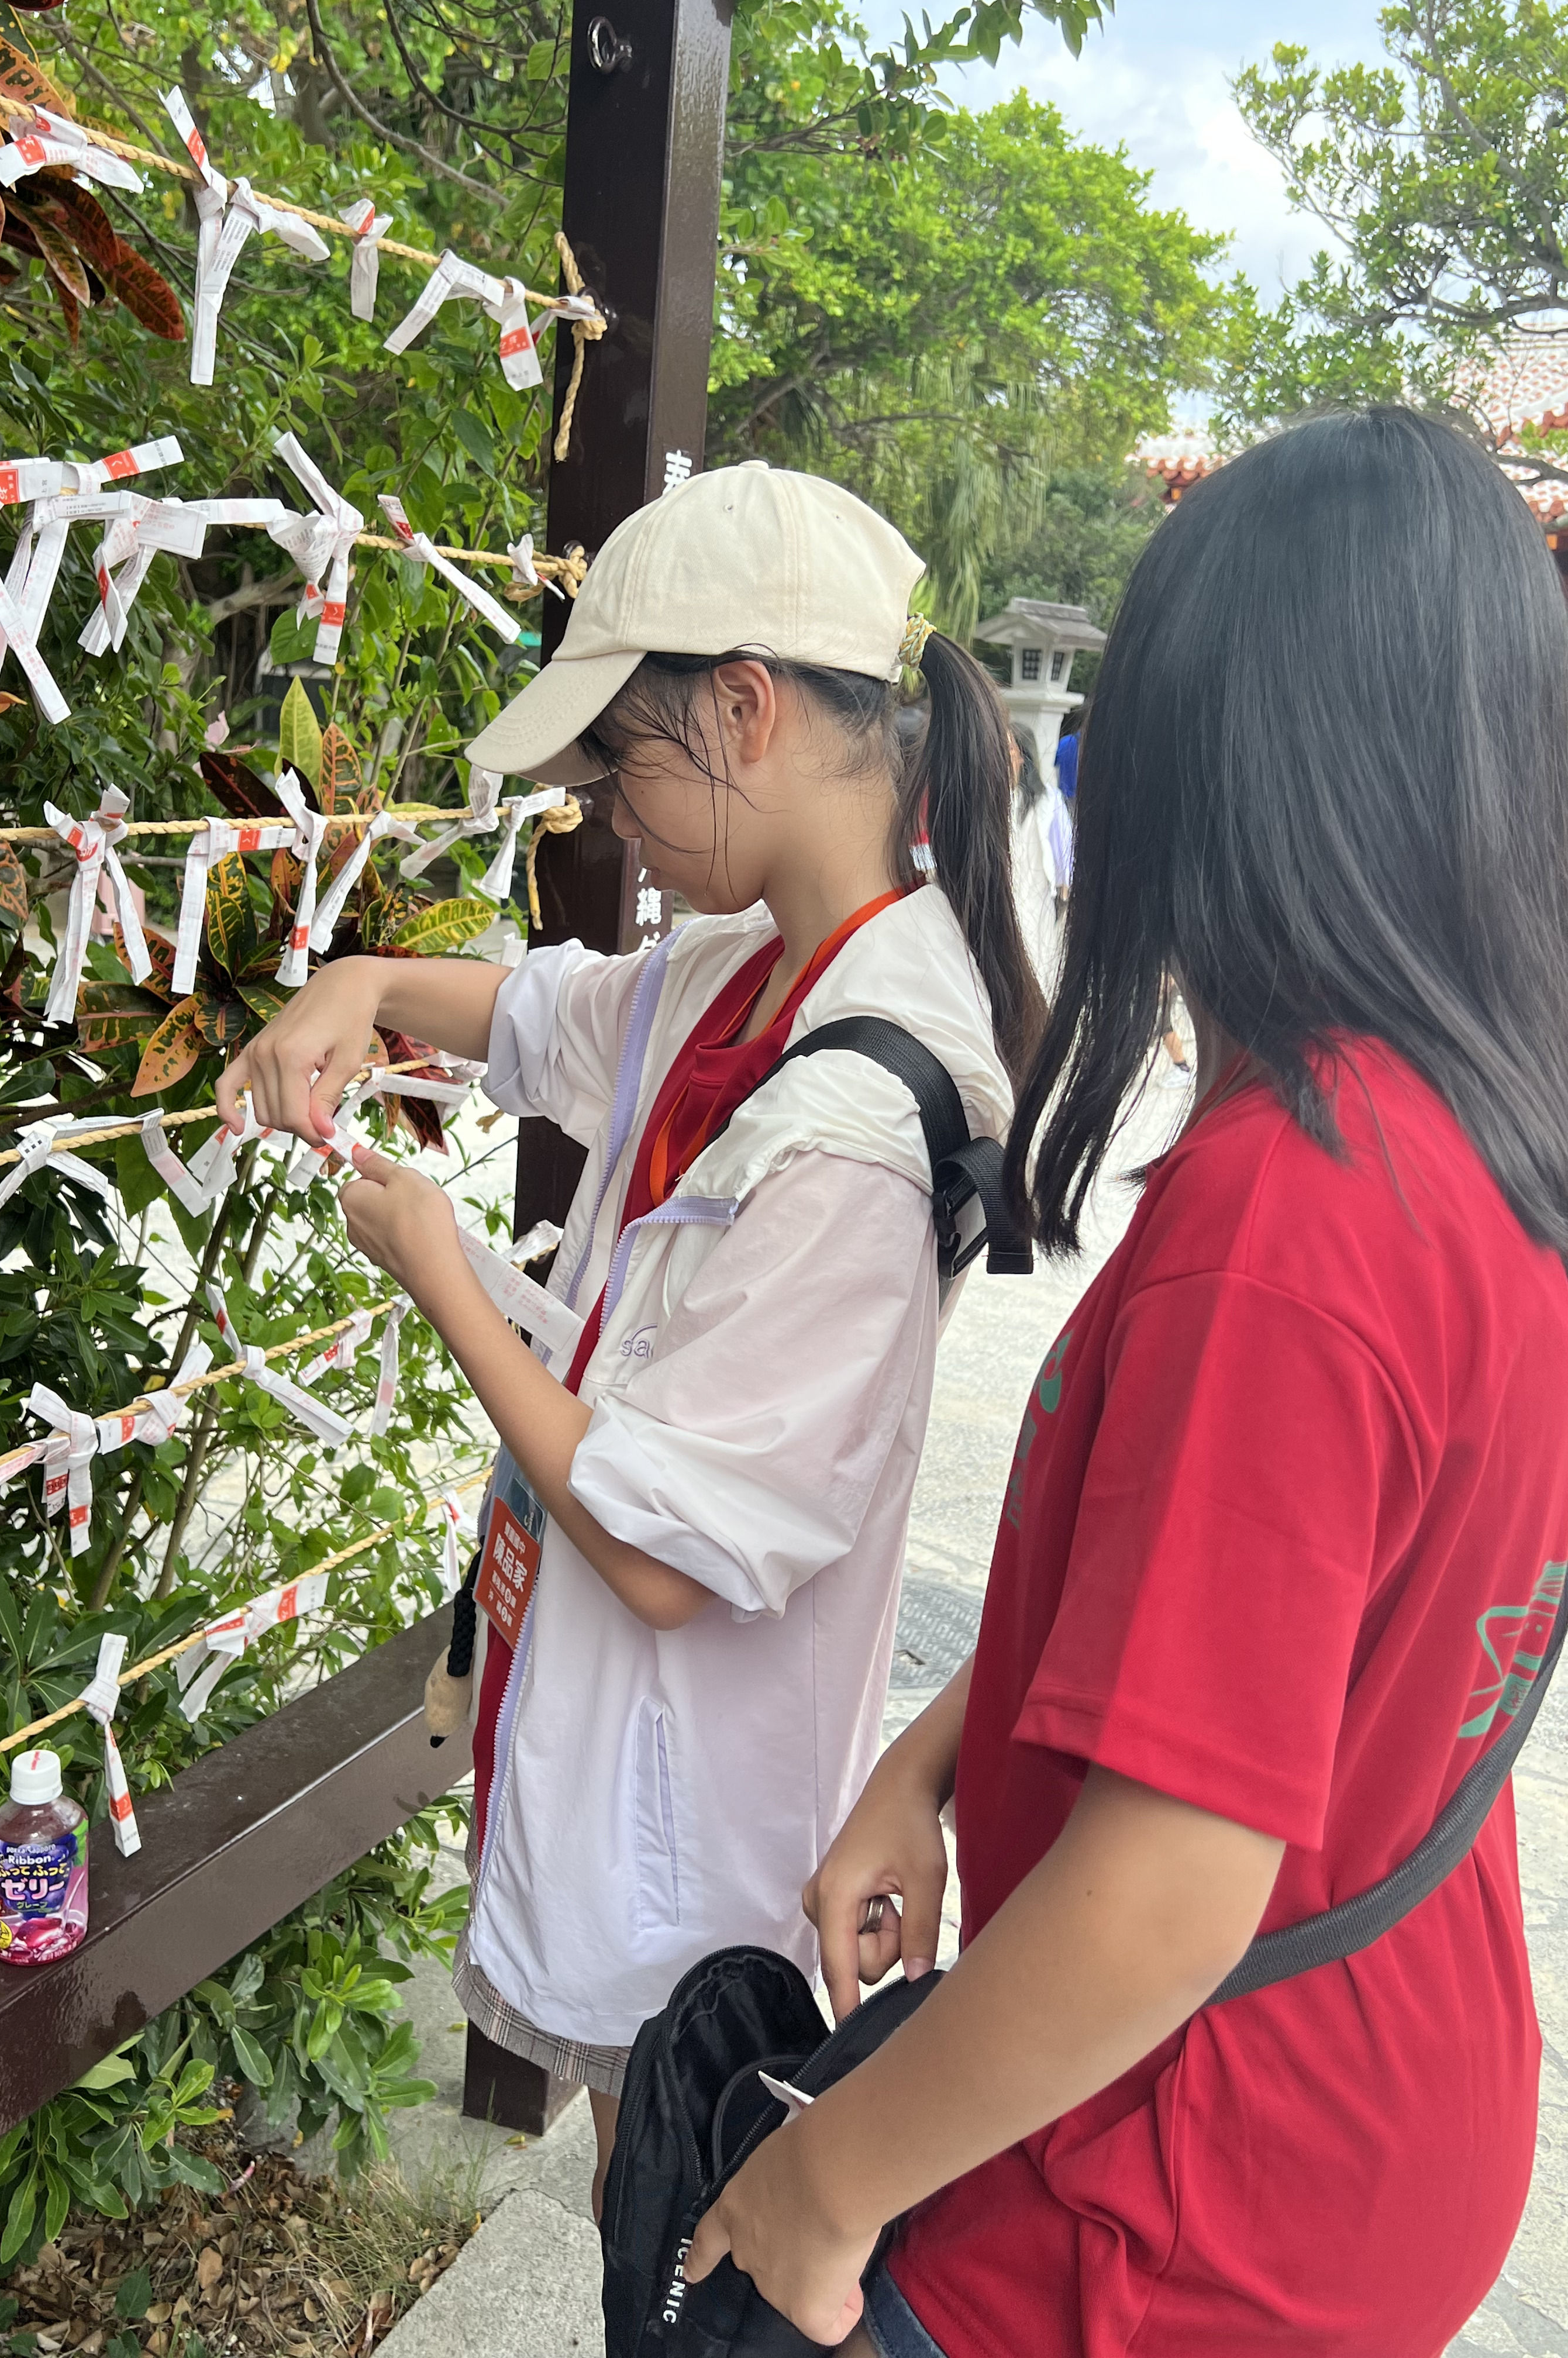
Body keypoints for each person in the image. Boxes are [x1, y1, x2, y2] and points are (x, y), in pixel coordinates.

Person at [682, 409, 1568, 2354]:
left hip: (1175, 2209)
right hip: (1386, 2092)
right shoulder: (1485, 1145)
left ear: (1203, 764)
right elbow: (1291, 1645)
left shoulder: (1290, 1221)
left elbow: (1164, 1897)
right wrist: (933, 1758)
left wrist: (823, 2186)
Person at [216, 462, 1044, 2210]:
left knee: (677, 2200)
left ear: (743, 711)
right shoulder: (743, 964)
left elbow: (675, 1557)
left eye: (621, 762)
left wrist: (448, 1281)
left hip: (696, 1790)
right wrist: (358, 986)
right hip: (597, 1729)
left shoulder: (865, 1117)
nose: (608, 815)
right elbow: (529, 1014)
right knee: (637, 2186)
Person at [1007, 722, 1069, 994]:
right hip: (1006, 896)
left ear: (1022, 755)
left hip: (1037, 895)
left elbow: (1063, 848)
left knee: (1036, 961)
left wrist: (1065, 883)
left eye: (1006, 747)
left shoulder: (1049, 801)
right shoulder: (994, 800)